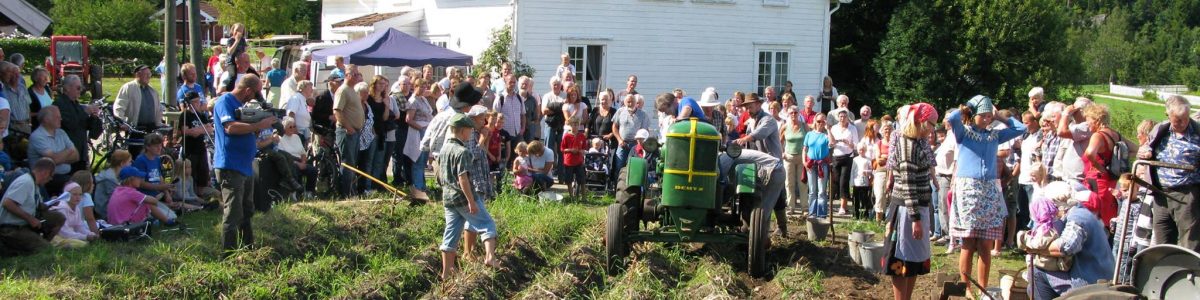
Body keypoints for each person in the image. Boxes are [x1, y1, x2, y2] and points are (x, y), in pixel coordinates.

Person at [946, 95, 1026, 297]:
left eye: (989, 116)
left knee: (984, 243)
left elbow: (1020, 129)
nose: (986, 119)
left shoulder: (994, 135)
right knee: (968, 241)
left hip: (989, 191)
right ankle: (966, 288)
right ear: (974, 116)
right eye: (983, 115)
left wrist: (1000, 115)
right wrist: (970, 105)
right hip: (968, 192)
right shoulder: (963, 133)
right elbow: (953, 118)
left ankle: (982, 288)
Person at [213, 74, 275, 255]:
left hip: (245, 166)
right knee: (233, 212)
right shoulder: (225, 101)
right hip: (230, 166)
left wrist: (258, 127)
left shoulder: (242, 106)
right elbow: (230, 128)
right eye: (255, 94)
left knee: (247, 210)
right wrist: (259, 125)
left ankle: (249, 249)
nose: (256, 98)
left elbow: (246, 130)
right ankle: (229, 255)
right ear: (248, 90)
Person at [883, 103, 938, 300]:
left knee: (914, 261)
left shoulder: (917, 142)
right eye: (931, 124)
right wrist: (915, 218)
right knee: (901, 261)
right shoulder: (907, 144)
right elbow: (907, 183)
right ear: (921, 122)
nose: (933, 129)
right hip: (907, 210)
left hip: (918, 208)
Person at [438, 113, 501, 279]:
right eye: (469, 131)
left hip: (448, 198)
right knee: (487, 224)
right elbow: (463, 178)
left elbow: (439, 174)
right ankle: (490, 257)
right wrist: (471, 201)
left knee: (450, 235)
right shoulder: (462, 151)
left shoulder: (444, 149)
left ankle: (446, 273)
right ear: (462, 130)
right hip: (463, 197)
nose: (470, 134)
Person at [1028, 181, 1116, 298]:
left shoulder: (1078, 217)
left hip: (1091, 281)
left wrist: (1034, 247)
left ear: (1056, 203)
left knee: (1037, 273)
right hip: (1095, 275)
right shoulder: (1079, 213)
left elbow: (1066, 247)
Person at [1139, 95, 1200, 251]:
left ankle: (1189, 274)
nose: (1183, 123)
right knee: (1162, 241)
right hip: (1161, 194)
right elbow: (1145, 148)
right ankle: (1164, 273)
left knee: (1189, 241)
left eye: (1185, 119)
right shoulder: (1161, 129)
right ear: (1168, 115)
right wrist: (1145, 152)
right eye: (1178, 120)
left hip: (1187, 195)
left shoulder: (1197, 133)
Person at [0, 158, 65, 256]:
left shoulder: (35, 184)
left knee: (58, 218)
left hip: (24, 224)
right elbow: (8, 203)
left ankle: (40, 242)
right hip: (10, 229)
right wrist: (30, 219)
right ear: (45, 173)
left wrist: (50, 204)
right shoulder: (25, 182)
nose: (51, 179)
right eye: (51, 176)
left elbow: (31, 205)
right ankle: (12, 249)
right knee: (47, 251)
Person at [719, 146, 786, 236]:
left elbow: (721, 181)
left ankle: (762, 239)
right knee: (763, 210)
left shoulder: (724, 158)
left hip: (774, 170)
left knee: (762, 210)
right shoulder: (728, 156)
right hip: (774, 167)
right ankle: (762, 235)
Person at [1080, 104, 1122, 228]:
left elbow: (1089, 153)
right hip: (1110, 180)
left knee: (1096, 214)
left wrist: (1099, 166)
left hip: (1097, 180)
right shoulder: (1116, 135)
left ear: (1097, 120)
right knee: (1108, 214)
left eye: (1088, 121)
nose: (1087, 125)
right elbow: (1134, 149)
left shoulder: (1098, 135)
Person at [53, 75, 102, 173]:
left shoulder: (76, 104)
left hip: (80, 152)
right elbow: (70, 124)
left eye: (82, 88)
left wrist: (94, 117)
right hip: (68, 154)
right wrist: (86, 112)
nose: (81, 91)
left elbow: (89, 129)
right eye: (78, 88)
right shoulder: (59, 104)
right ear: (67, 88)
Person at [113, 65, 164, 158]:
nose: (149, 76)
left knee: (152, 155)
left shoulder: (152, 91)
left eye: (150, 74)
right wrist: (121, 121)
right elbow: (119, 106)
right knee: (136, 155)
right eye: (146, 74)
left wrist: (159, 123)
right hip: (136, 129)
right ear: (138, 74)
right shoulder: (128, 87)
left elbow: (159, 109)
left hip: (151, 128)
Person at [28, 105, 77, 195]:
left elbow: (76, 156)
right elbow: (53, 160)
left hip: (66, 174)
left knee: (88, 179)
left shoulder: (61, 132)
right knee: (75, 186)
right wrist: (69, 151)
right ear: (46, 119)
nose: (61, 119)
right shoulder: (37, 136)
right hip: (48, 179)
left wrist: (59, 157)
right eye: (57, 117)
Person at [106, 166, 178, 226]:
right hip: (125, 225)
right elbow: (154, 201)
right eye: (139, 177)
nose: (141, 180)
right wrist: (162, 193)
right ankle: (167, 221)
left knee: (143, 202)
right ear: (131, 179)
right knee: (147, 203)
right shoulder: (131, 192)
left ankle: (156, 220)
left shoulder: (118, 190)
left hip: (114, 224)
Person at [333, 67, 365, 197]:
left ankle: (350, 191)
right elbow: (337, 110)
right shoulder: (343, 90)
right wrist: (348, 127)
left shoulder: (352, 90)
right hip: (347, 132)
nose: (358, 77)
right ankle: (344, 193)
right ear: (347, 75)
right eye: (355, 74)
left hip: (355, 132)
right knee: (347, 163)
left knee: (352, 162)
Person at [404, 79, 434, 201]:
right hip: (418, 133)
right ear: (415, 87)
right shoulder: (413, 101)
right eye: (420, 87)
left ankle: (422, 186)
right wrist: (421, 128)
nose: (422, 89)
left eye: (424, 87)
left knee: (423, 161)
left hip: (426, 132)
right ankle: (418, 187)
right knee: (418, 160)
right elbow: (408, 119)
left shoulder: (423, 99)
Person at [829, 108, 860, 216]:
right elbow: (830, 143)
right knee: (835, 181)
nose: (842, 118)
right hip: (836, 156)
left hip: (848, 157)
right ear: (838, 118)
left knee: (844, 182)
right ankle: (833, 205)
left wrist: (849, 143)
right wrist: (834, 142)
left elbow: (856, 145)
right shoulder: (834, 128)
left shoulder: (852, 128)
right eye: (841, 117)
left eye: (844, 116)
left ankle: (843, 206)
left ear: (848, 118)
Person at [734, 93, 782, 158]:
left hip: (772, 162)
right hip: (757, 161)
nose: (748, 111)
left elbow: (760, 133)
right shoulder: (751, 120)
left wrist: (744, 139)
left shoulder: (769, 120)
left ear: (758, 105)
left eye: (750, 107)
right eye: (746, 108)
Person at [48, 182, 95, 247]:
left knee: (85, 242)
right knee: (83, 244)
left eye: (80, 194)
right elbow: (64, 232)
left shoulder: (76, 208)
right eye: (74, 194)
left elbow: (79, 226)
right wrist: (85, 237)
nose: (78, 197)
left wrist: (91, 234)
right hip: (56, 236)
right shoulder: (62, 208)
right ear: (66, 195)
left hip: (68, 235)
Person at [612, 94, 650, 173]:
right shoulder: (620, 111)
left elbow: (645, 130)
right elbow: (614, 127)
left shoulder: (643, 114)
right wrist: (619, 140)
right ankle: (618, 184)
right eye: (628, 102)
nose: (630, 104)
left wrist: (640, 143)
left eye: (632, 102)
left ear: (636, 102)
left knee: (635, 167)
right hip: (622, 143)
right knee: (619, 167)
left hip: (636, 144)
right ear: (625, 102)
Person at [780, 106, 808, 215]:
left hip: (802, 158)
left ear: (798, 114)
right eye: (791, 113)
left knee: (803, 183)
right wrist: (782, 152)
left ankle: (804, 207)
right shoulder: (785, 127)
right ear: (788, 114)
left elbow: (809, 140)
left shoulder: (804, 126)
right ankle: (790, 207)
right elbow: (779, 141)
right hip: (789, 158)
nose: (793, 115)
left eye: (795, 112)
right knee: (789, 183)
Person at [803, 113, 831, 218]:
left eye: (823, 121)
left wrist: (828, 129)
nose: (820, 123)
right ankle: (812, 213)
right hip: (811, 164)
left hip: (822, 165)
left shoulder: (826, 135)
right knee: (812, 190)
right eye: (819, 121)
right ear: (815, 122)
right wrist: (804, 162)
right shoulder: (809, 134)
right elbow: (804, 149)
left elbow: (832, 143)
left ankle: (822, 214)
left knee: (822, 191)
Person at [2, 61, 33, 135]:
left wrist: (29, 123)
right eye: (13, 73)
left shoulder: (22, 88)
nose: (17, 76)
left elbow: (27, 107)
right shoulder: (3, 90)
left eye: (18, 73)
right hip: (12, 128)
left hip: (26, 126)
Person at [561, 119, 587, 197]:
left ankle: (584, 197)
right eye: (573, 125)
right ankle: (571, 197)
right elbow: (562, 149)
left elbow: (584, 148)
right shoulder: (566, 136)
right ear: (570, 125)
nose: (575, 127)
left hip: (579, 161)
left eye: (576, 125)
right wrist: (571, 150)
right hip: (569, 161)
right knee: (569, 180)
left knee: (582, 180)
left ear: (579, 126)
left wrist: (581, 151)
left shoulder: (582, 136)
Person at [519, 76, 541, 142]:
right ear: (518, 84)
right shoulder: (514, 98)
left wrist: (531, 126)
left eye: (526, 84)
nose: (524, 86)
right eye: (522, 84)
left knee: (528, 150)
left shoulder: (532, 100)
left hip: (528, 131)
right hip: (516, 130)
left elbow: (535, 117)